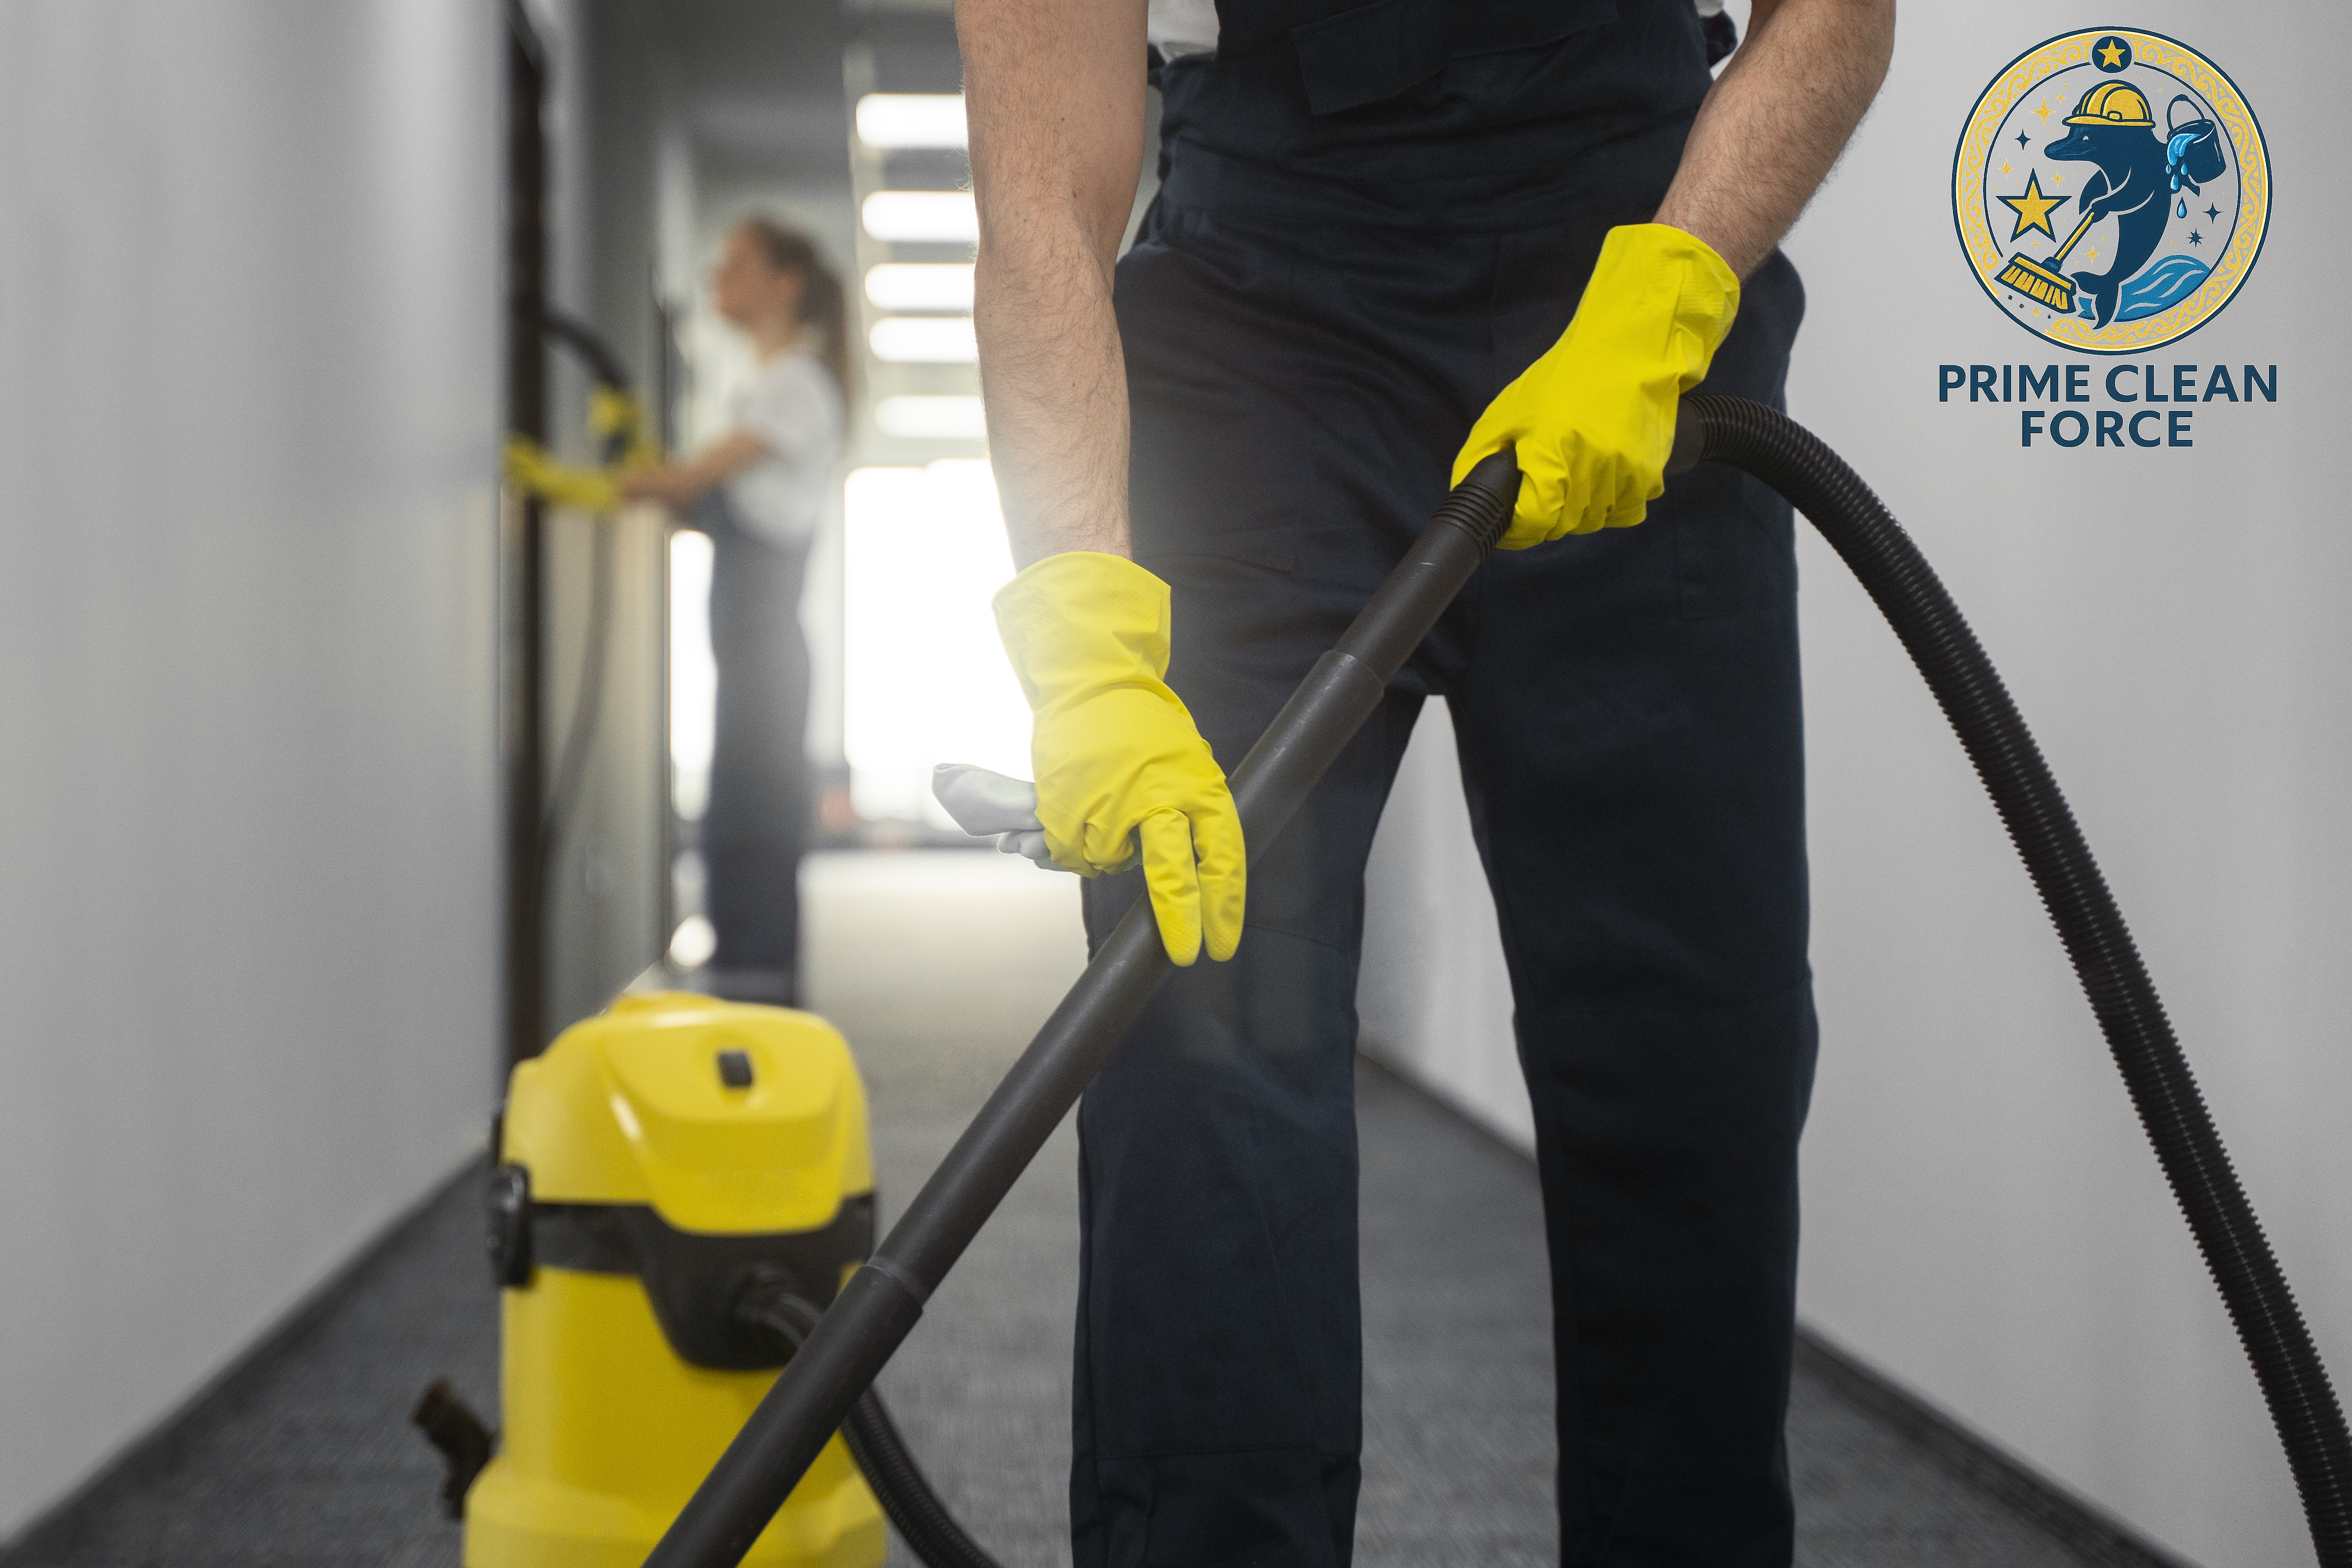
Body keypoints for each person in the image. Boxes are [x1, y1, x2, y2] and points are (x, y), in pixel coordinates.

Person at [956, 0, 1894, 1562]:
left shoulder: (1649, 295)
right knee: (1201, 1017)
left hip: (1628, 274)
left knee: (1687, 1058)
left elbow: (1838, 20)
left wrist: (1669, 294)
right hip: (1256, 320)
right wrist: (1082, 636)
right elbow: (1041, 196)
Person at [620, 219, 849, 1005]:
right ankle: (745, 994)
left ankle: (764, 1006)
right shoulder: (760, 381)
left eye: (736, 265)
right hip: (747, 646)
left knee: (755, 827)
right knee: (734, 822)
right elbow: (701, 496)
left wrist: (606, 475)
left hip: (766, 649)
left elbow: (689, 483)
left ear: (783, 283)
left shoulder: (794, 384)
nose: (719, 277)